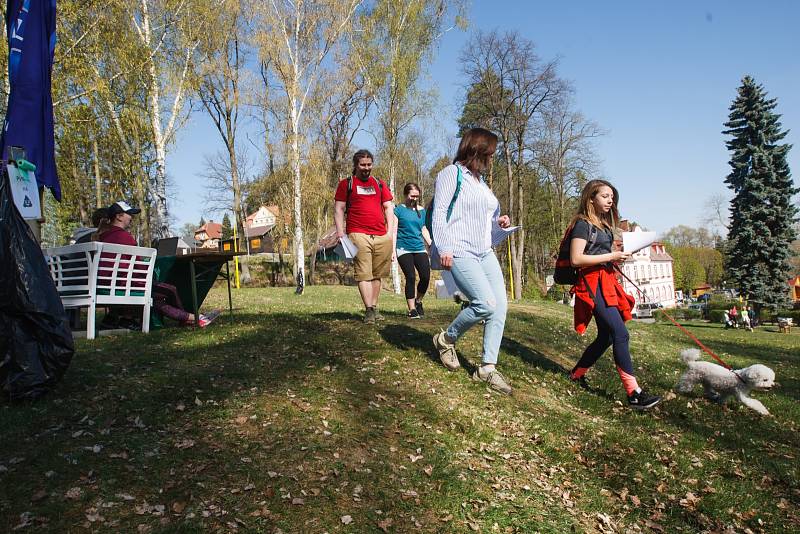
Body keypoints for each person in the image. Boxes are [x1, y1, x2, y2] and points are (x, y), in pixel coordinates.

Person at [430, 127, 513, 395]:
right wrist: (443, 246)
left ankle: (487, 368)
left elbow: (480, 218)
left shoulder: (481, 182)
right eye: (490, 153)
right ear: (477, 150)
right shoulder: (450, 174)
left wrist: (498, 222)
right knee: (485, 304)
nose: (492, 158)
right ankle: (446, 339)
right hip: (460, 250)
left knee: (499, 307)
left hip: (485, 251)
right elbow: (440, 212)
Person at [566, 180, 661, 410]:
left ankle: (576, 374)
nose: (610, 200)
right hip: (591, 284)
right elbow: (576, 259)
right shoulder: (582, 225)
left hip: (607, 281)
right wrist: (609, 257)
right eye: (605, 196)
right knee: (620, 334)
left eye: (612, 197)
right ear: (591, 198)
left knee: (607, 336)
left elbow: (600, 253)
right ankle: (634, 393)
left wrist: (616, 254)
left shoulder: (604, 226)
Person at [94, 201, 219, 329]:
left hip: (106, 285)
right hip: (124, 286)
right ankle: (193, 318)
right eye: (129, 214)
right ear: (119, 216)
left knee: (156, 298)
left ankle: (193, 318)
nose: (132, 217)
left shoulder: (102, 237)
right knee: (169, 289)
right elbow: (139, 267)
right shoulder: (124, 237)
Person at [334, 150, 395, 324]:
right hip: (357, 233)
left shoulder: (380, 184)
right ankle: (368, 309)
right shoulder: (347, 184)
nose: (366, 168)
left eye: (369, 164)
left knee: (377, 274)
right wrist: (340, 233)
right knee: (363, 273)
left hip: (381, 235)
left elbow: (388, 207)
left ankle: (374, 307)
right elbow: (339, 209)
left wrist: (389, 232)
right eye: (363, 165)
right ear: (355, 165)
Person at [393, 182, 431, 319]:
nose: (414, 199)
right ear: (405, 194)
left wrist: (430, 243)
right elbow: (394, 231)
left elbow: (423, 229)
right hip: (403, 248)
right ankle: (412, 309)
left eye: (417, 196)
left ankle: (418, 301)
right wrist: (392, 251)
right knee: (410, 276)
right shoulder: (398, 210)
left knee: (425, 276)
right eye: (412, 196)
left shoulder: (421, 211)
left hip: (419, 248)